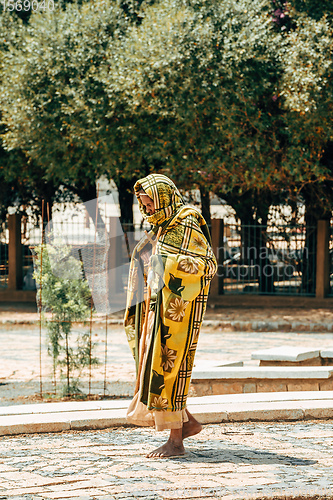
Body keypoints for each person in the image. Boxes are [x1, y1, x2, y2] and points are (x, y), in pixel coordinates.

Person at [124, 174, 217, 458]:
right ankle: (187, 423)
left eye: (150, 201)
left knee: (171, 370)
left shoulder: (187, 221)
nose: (147, 208)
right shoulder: (161, 226)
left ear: (163, 196)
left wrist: (165, 263)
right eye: (143, 203)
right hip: (157, 307)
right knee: (158, 370)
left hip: (179, 312)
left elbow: (207, 264)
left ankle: (176, 441)